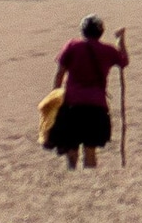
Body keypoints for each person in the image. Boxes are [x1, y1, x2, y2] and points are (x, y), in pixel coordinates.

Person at [46, 18, 129, 170]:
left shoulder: (72, 46)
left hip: (72, 103)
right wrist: (119, 40)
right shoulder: (108, 50)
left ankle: (72, 173)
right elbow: (124, 61)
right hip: (96, 106)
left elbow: (59, 74)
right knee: (90, 148)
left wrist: (54, 97)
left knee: (71, 145)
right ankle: (89, 178)